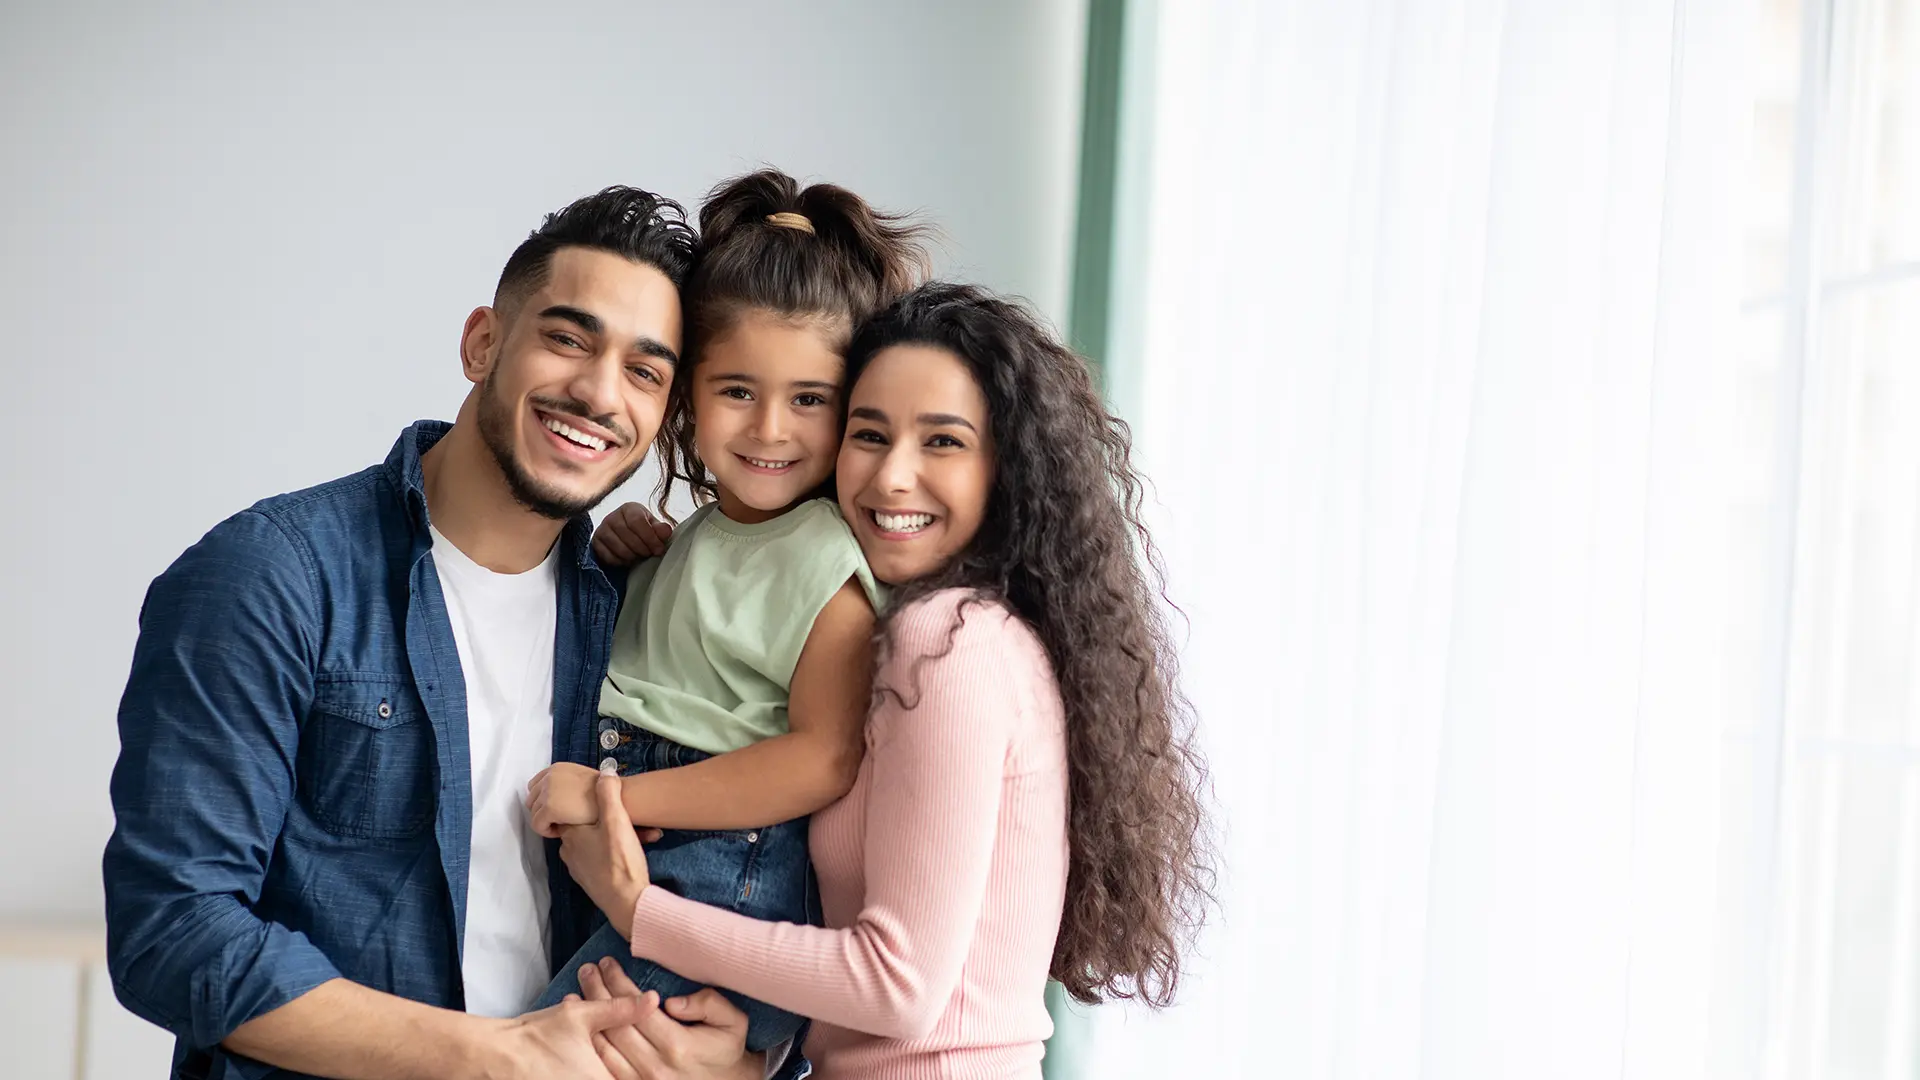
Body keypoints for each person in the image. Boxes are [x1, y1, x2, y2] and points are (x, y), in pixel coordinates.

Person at [101, 186, 709, 1080]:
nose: (597, 392)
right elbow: (175, 931)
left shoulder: (638, 612)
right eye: (568, 339)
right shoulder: (270, 576)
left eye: (645, 372)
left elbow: (737, 882)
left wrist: (750, 1059)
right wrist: (496, 1058)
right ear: (482, 344)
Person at [563, 282, 1216, 1080]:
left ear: (1006, 466)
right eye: (869, 436)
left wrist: (641, 911)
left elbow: (897, 988)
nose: (892, 478)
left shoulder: (948, 642)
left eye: (941, 442)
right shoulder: (958, 632)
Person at [521, 168, 927, 1054]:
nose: (770, 429)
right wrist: (622, 555)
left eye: (809, 401)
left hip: (718, 875)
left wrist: (613, 797)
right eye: (738, 391)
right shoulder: (698, 536)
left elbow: (822, 757)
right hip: (652, 854)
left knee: (530, 1059)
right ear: (686, 398)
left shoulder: (826, 555)